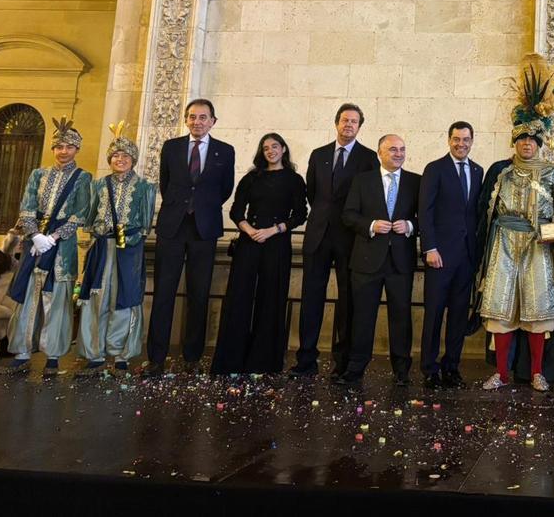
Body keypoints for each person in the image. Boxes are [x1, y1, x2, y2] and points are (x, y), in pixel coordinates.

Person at [476, 54, 554, 392]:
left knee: (537, 311)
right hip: (503, 243)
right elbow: (485, 211)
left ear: (539, 143)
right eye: (522, 139)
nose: (527, 144)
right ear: (514, 141)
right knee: (501, 310)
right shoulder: (501, 171)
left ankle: (538, 372)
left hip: (538, 245)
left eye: (533, 139)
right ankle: (501, 373)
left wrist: (552, 234)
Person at [146, 99, 236, 376]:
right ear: (186, 120)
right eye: (192, 117)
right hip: (172, 228)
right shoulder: (171, 147)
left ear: (213, 121)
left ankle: (192, 357)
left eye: (203, 117)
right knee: (163, 293)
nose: (197, 122)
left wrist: (202, 207)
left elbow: (225, 188)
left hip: (204, 229)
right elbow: (165, 183)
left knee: (199, 293)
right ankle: (156, 358)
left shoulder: (225, 151)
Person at [0, 117, 92, 377]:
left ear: (77, 149)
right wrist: (36, 235)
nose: (64, 151)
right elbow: (27, 207)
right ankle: (21, 354)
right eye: (59, 147)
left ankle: (52, 357)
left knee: (57, 299)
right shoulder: (38, 175)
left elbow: (80, 213)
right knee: (29, 296)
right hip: (35, 245)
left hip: (62, 247)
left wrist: (53, 238)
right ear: (53, 149)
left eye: (69, 147)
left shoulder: (83, 178)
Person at [293, 103, 380, 378]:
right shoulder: (319, 154)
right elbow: (312, 193)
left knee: (347, 301)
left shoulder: (368, 158)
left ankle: (342, 362)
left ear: (359, 126)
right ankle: (306, 359)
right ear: (336, 123)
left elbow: (370, 197)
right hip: (317, 235)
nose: (348, 125)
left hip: (350, 238)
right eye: (345, 120)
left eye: (354, 121)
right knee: (311, 298)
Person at [211, 133, 308, 375]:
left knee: (271, 298)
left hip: (277, 243)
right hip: (249, 242)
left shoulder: (294, 180)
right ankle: (231, 360)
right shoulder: (251, 178)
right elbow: (236, 211)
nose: (270, 151)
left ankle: (263, 362)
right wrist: (250, 230)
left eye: (275, 146)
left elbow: (300, 214)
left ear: (283, 149)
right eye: (266, 148)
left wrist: (273, 230)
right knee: (240, 297)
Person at [339, 134, 420, 386]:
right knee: (362, 317)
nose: (398, 153)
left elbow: (427, 218)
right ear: (379, 153)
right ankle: (355, 368)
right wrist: (371, 225)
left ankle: (402, 371)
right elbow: (348, 215)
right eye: (393, 149)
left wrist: (409, 225)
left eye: (402, 149)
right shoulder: (362, 181)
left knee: (401, 317)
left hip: (400, 262)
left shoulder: (416, 181)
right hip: (366, 260)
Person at [76, 122, 157, 375]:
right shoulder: (98, 185)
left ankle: (122, 356)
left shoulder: (145, 187)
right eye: (115, 156)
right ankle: (95, 355)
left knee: (125, 298)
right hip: (102, 248)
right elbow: (89, 218)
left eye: (125, 156)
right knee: (97, 297)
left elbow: (145, 224)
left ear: (133, 160)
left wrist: (129, 236)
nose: (120, 160)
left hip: (128, 250)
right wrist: (99, 230)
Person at [419, 121, 483, 389]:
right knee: (434, 313)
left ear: (472, 141)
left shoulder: (478, 171)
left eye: (466, 140)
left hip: (466, 257)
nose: (461, 144)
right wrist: (430, 248)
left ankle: (451, 367)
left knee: (458, 315)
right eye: (456, 139)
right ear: (449, 140)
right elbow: (425, 211)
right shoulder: (435, 169)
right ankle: (429, 368)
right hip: (440, 256)